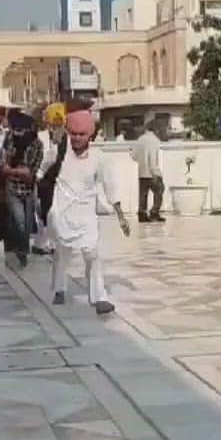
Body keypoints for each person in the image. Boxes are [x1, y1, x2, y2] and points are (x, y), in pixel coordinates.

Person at [49, 109, 131, 315]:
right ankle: (59, 289)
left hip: (86, 215)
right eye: (73, 134)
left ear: (90, 135)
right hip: (62, 213)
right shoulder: (58, 155)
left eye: (81, 134)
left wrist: (121, 216)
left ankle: (99, 297)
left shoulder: (99, 158)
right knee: (62, 254)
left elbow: (110, 186)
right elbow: (41, 176)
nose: (77, 138)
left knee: (93, 255)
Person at [0, 111, 43, 268]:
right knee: (19, 221)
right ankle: (18, 250)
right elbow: (2, 163)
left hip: (29, 189)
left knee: (27, 223)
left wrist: (11, 170)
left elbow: (29, 173)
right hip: (12, 187)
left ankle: (22, 252)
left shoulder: (37, 144)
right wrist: (15, 170)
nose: (18, 133)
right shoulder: (10, 139)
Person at [33, 103, 66, 255]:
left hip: (59, 180)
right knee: (44, 211)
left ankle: (51, 242)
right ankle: (41, 243)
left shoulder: (67, 138)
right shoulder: (41, 138)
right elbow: (42, 160)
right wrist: (39, 175)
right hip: (44, 180)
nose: (58, 127)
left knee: (55, 212)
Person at [132, 119, 165, 224]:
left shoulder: (140, 139)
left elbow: (133, 155)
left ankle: (142, 214)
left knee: (143, 194)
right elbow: (152, 157)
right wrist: (154, 171)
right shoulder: (154, 140)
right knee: (159, 191)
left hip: (142, 172)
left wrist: (141, 162)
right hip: (152, 172)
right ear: (156, 129)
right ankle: (154, 212)